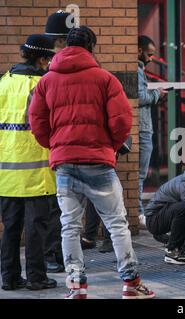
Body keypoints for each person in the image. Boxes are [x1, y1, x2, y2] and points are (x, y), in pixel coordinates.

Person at [29, 26, 155, 299]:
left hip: (65, 164)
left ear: (65, 47)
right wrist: (108, 147)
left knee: (69, 226)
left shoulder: (47, 81)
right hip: (98, 164)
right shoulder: (105, 79)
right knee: (116, 224)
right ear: (92, 48)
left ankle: (76, 286)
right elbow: (122, 122)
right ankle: (131, 284)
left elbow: (37, 123)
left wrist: (56, 146)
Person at [0, 34, 57, 291]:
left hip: (6, 169)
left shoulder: (4, 82)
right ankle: (36, 277)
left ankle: (9, 278)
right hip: (37, 168)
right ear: (43, 59)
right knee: (36, 227)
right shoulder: (44, 84)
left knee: (11, 226)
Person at [42, 9, 74, 275]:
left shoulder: (48, 73)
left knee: (54, 211)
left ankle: (53, 256)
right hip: (55, 153)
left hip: (50, 152)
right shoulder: (51, 72)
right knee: (56, 211)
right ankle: (53, 256)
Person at [138, 35, 168, 223]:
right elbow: (140, 98)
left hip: (142, 127)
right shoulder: (137, 69)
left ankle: (138, 209)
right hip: (142, 129)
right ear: (138, 50)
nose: (150, 59)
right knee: (140, 174)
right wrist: (157, 94)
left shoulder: (138, 69)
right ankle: (139, 211)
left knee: (140, 174)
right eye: (149, 54)